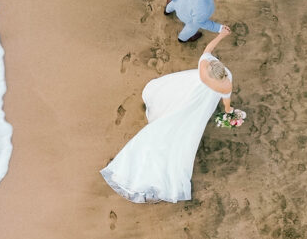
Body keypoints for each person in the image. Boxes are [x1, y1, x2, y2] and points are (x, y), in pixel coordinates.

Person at [100, 26, 234, 203]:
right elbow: (226, 103)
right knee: (187, 134)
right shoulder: (226, 84)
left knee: (172, 111)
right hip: (201, 105)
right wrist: (229, 113)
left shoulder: (204, 66)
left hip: (190, 92)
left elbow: (209, 49)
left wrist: (222, 35)